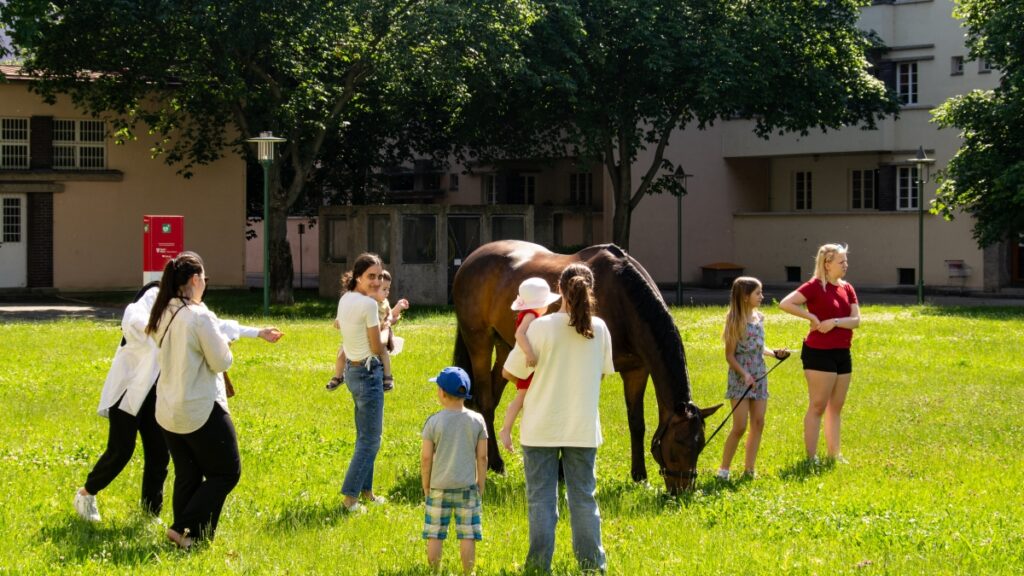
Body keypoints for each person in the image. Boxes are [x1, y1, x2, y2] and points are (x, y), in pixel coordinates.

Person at [73, 281, 282, 524]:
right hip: (129, 389)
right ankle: (85, 494)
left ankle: (150, 512)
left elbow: (216, 326)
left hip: (158, 393)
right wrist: (160, 331)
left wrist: (258, 332)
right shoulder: (156, 295)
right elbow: (132, 317)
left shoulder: (191, 308)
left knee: (159, 454)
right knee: (121, 450)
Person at [502, 263, 614, 574]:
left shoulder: (540, 327)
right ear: (590, 290)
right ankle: (592, 567)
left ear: (560, 290)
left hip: (540, 427)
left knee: (541, 502)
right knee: (583, 500)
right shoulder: (600, 328)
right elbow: (601, 375)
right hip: (582, 427)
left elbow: (511, 372)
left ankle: (538, 567)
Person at [144, 252, 237, 548]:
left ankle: (188, 539)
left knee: (189, 473)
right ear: (195, 280)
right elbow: (222, 361)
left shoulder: (163, 311)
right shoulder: (198, 316)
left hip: (168, 409)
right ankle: (181, 528)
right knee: (227, 472)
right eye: (204, 279)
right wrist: (225, 343)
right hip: (198, 406)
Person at [779, 243, 860, 462]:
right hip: (818, 353)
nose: (846, 265)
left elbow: (856, 321)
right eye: (841, 262)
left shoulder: (847, 288)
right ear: (827, 264)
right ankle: (811, 456)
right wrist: (811, 318)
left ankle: (835, 454)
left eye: (846, 261)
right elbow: (786, 303)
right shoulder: (814, 286)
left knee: (837, 406)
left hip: (843, 353)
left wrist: (834, 322)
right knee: (818, 405)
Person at [716, 277, 789, 481]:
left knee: (758, 422)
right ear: (745, 297)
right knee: (739, 426)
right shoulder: (734, 320)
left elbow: (758, 347)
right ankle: (724, 470)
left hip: (759, 374)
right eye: (758, 293)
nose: (762, 296)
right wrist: (744, 374)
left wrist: (775, 353)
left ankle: (749, 470)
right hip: (741, 378)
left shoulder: (760, 318)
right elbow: (729, 355)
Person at [336, 252, 392, 513]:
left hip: (352, 372)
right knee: (370, 440)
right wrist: (388, 334)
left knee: (365, 436)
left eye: (379, 276)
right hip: (368, 374)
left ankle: (367, 491)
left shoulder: (347, 298)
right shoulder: (369, 305)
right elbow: (375, 345)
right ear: (358, 276)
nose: (376, 281)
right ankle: (350, 499)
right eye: (371, 276)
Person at [420, 367, 488, 574]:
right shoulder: (477, 420)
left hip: (438, 486)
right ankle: (468, 572)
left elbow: (425, 458)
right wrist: (481, 484)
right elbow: (483, 457)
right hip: (467, 487)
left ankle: (434, 571)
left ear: (441, 393)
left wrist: (426, 485)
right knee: (467, 534)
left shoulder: (434, 422)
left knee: (435, 534)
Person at [498, 277, 560, 452]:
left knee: (524, 394)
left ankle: (507, 428)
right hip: (527, 362)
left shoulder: (527, 314)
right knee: (521, 398)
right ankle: (506, 429)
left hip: (525, 361)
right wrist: (530, 353)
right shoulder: (532, 315)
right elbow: (519, 334)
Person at [327, 269, 408, 392]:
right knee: (342, 353)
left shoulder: (384, 303)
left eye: (388, 289)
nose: (387, 292)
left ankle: (388, 377)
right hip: (360, 336)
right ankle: (338, 376)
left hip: (378, 336)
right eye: (384, 289)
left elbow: (391, 316)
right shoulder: (365, 302)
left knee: (383, 353)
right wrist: (340, 320)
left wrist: (399, 306)